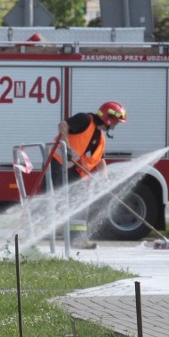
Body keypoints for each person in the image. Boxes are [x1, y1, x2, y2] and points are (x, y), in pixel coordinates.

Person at [50, 101, 127, 249]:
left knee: (81, 201)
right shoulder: (84, 120)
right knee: (54, 200)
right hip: (57, 163)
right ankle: (33, 236)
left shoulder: (100, 138)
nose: (115, 126)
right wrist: (67, 147)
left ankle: (77, 240)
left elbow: (100, 160)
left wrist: (105, 179)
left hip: (73, 169)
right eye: (116, 123)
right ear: (109, 118)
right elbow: (63, 125)